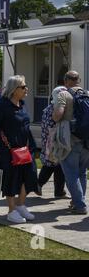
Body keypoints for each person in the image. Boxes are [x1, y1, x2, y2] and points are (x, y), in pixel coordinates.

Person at [0, 75, 38, 224]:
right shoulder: (1, 105)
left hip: (25, 147)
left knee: (30, 175)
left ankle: (20, 204)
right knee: (11, 178)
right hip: (7, 150)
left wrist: (32, 145)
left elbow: (25, 126)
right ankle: (11, 211)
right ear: (14, 89)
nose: (26, 89)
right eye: (23, 87)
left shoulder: (22, 104)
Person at [52, 71, 88, 215]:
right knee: (82, 173)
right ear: (78, 80)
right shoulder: (87, 94)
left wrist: (55, 115)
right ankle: (77, 201)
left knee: (71, 174)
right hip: (86, 140)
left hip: (70, 140)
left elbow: (58, 115)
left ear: (66, 80)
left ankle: (80, 205)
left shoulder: (63, 95)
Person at [36, 86, 67, 198]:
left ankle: (58, 191)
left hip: (51, 140)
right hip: (54, 141)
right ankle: (39, 184)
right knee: (53, 164)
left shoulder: (49, 107)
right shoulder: (56, 108)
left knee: (56, 165)